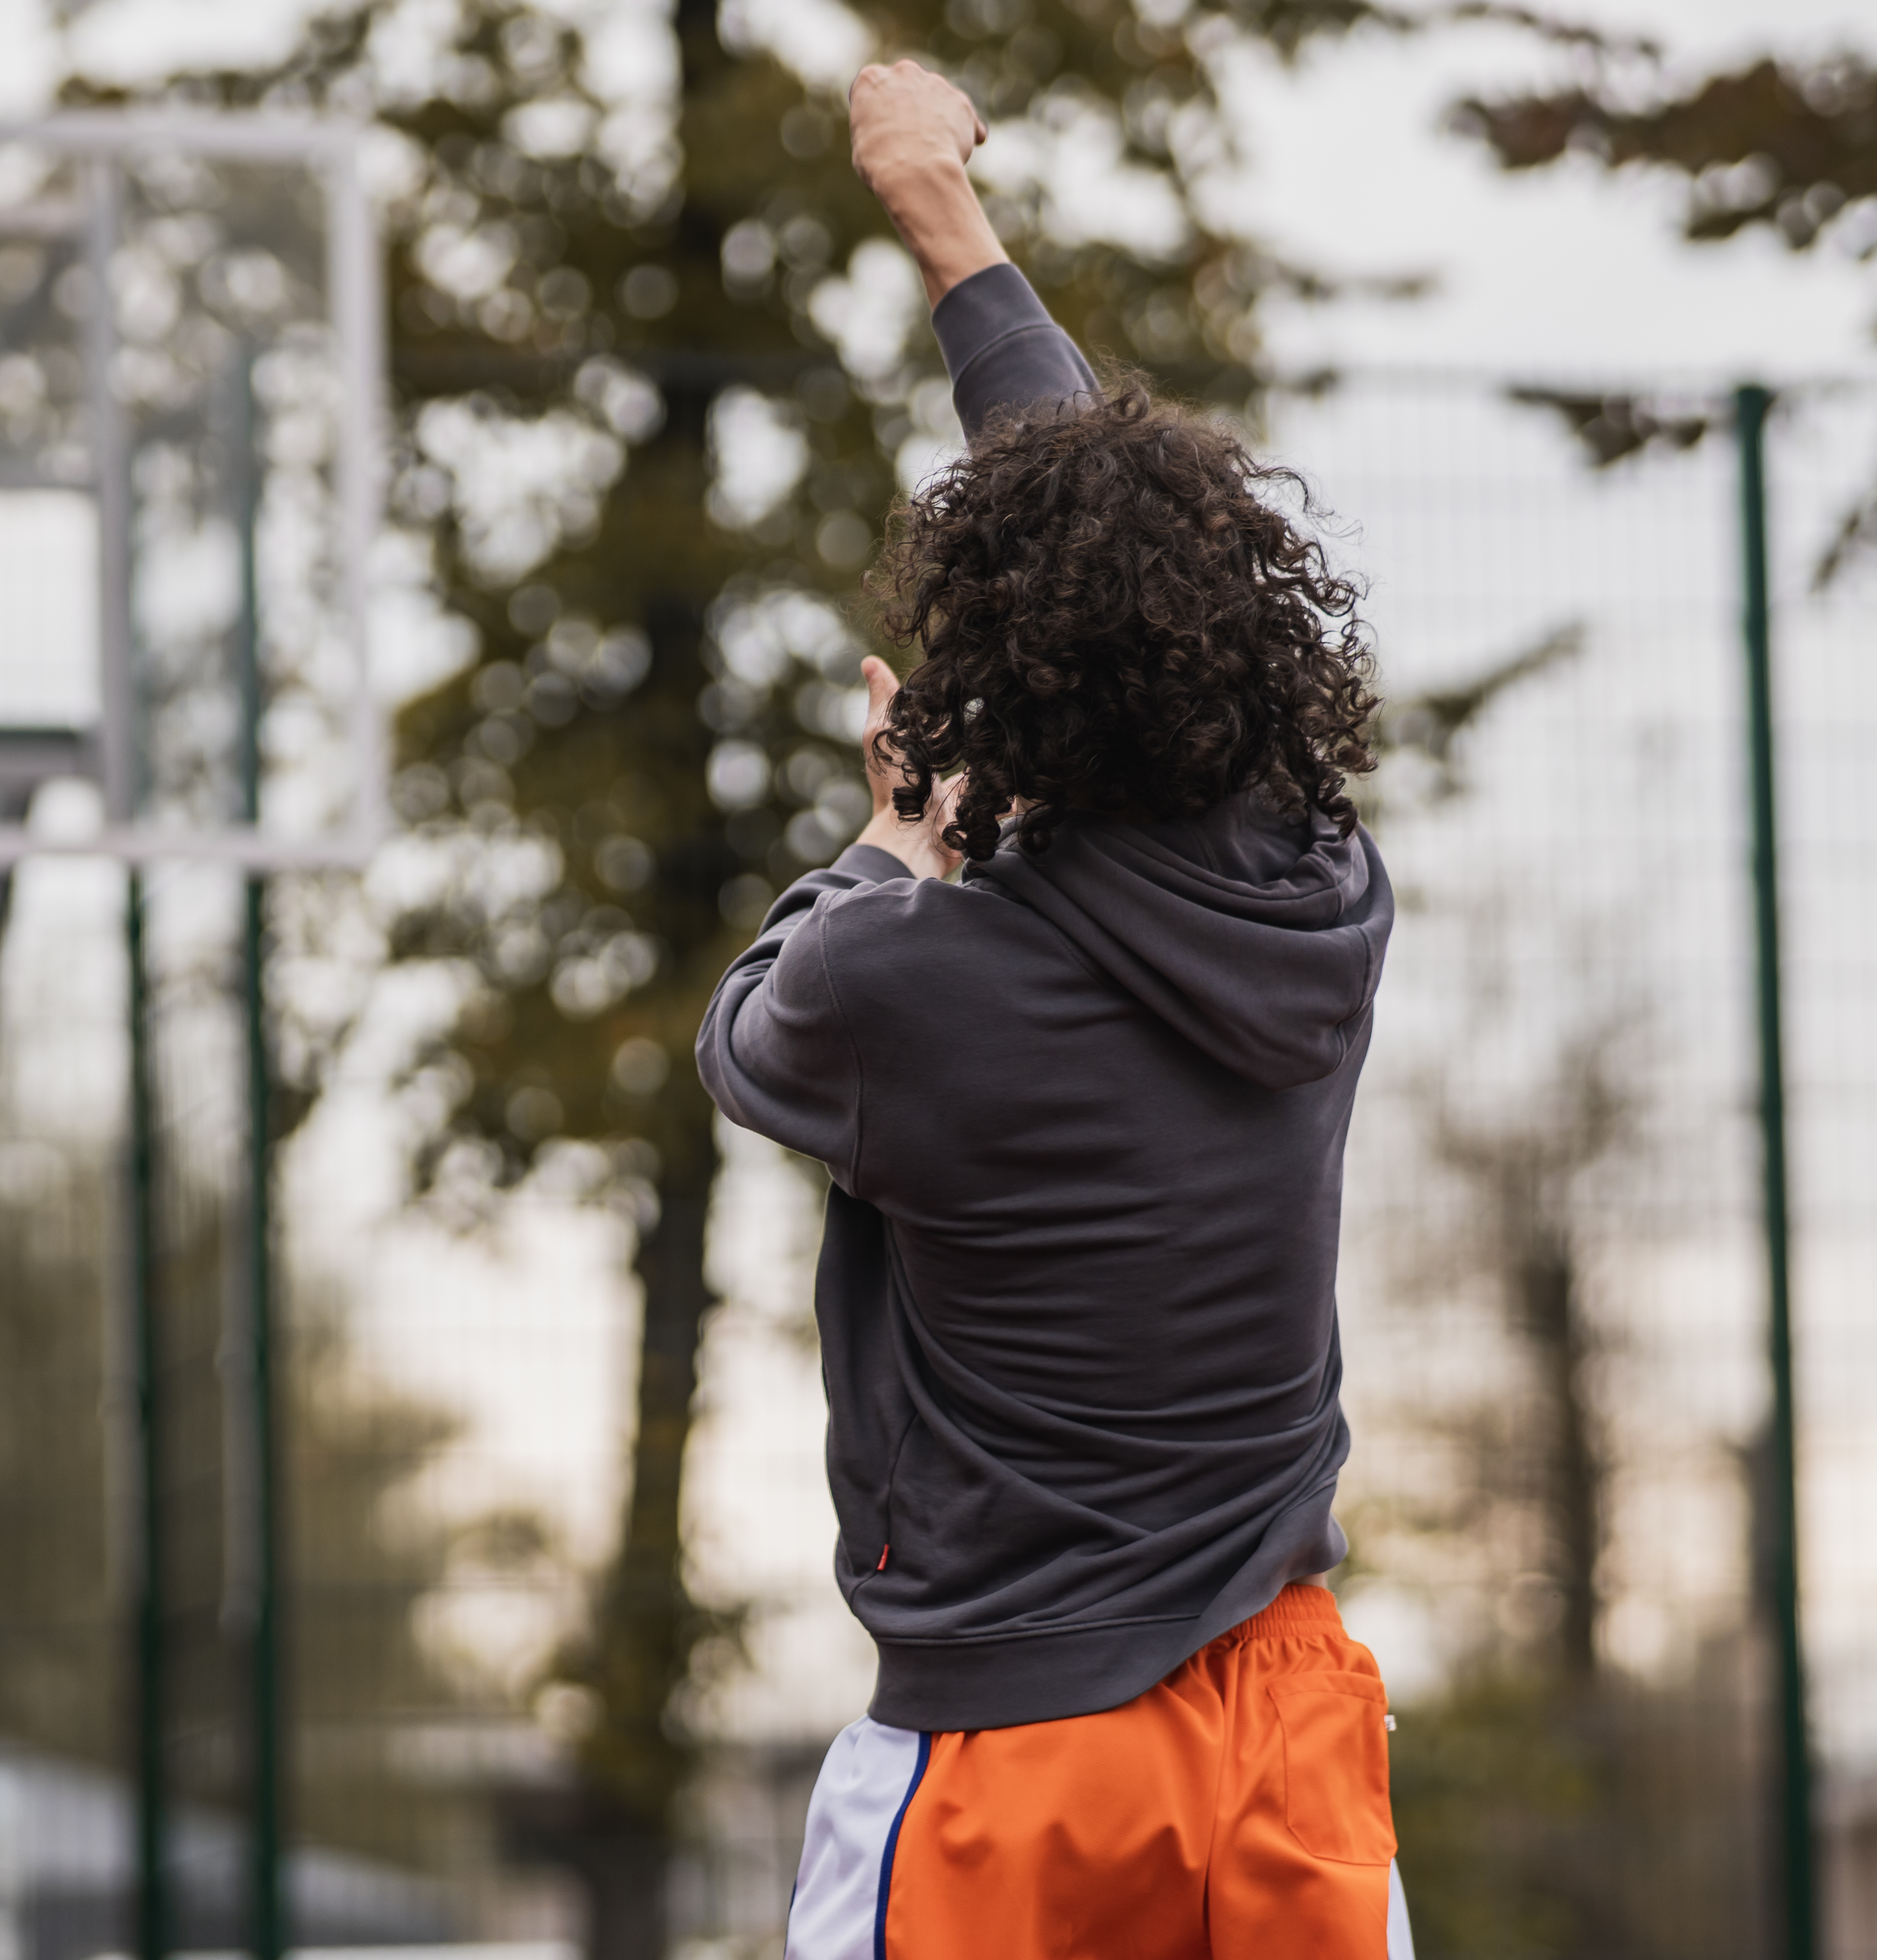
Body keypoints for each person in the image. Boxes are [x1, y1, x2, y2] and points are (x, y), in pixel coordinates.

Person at [695, 59, 1410, 1960]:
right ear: (1237, 645)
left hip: (1019, 1757)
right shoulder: (1322, 896)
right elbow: (1105, 540)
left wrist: (885, 841)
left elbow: (744, 1035)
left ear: (985, 680)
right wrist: (948, 228)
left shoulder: (899, 976)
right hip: (1287, 1731)